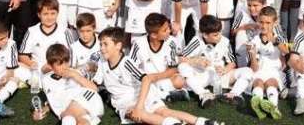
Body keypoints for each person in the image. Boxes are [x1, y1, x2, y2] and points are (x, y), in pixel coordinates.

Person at [93, 27, 223, 125]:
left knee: (163, 112)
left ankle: (203, 122)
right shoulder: (102, 61)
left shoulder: (126, 62)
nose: (102, 48)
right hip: (123, 102)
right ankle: (174, 123)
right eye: (100, 44)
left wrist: (139, 105)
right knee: (136, 114)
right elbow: (96, 83)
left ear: (118, 46)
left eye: (105, 44)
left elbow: (146, 79)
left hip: (142, 95)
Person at [178, 15, 253, 109]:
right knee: (182, 67)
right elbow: (180, 58)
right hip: (202, 76)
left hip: (218, 76)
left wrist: (225, 69)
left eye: (220, 32)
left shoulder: (225, 41)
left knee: (248, 71)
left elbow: (233, 63)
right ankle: (204, 94)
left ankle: (233, 95)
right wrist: (195, 61)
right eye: (215, 35)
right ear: (205, 35)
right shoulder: (197, 41)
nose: (219, 36)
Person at [130, 13, 189, 103]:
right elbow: (131, 68)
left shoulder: (171, 42)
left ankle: (163, 94)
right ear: (153, 35)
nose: (169, 31)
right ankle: (169, 95)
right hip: (145, 79)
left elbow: (173, 69)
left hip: (162, 77)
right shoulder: (138, 43)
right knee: (141, 86)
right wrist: (146, 78)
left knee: (179, 81)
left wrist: (156, 77)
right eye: (165, 30)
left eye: (169, 27)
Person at [42, 44, 104, 125]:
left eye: (66, 62)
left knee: (71, 113)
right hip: (68, 111)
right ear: (50, 65)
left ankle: (82, 120)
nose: (64, 66)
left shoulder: (74, 72)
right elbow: (55, 97)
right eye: (59, 64)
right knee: (68, 119)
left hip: (88, 102)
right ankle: (84, 120)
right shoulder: (46, 79)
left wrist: (74, 75)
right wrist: (46, 108)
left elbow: (94, 89)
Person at [248, 6, 287, 120]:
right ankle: (258, 105)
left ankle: (273, 107)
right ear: (258, 21)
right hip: (259, 70)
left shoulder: (279, 37)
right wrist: (252, 54)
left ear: (275, 23)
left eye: (268, 23)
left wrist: (274, 40)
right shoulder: (255, 39)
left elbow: (287, 52)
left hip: (274, 70)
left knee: (271, 83)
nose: (264, 26)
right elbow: (254, 67)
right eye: (261, 22)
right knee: (258, 82)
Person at [19, 0, 75, 75]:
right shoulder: (32, 31)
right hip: (37, 70)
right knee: (17, 69)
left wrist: (56, 67)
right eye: (45, 14)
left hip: (59, 71)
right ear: (39, 15)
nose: (49, 17)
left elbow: (73, 55)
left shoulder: (65, 31)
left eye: (53, 13)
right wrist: (33, 65)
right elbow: (22, 55)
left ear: (57, 13)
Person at [231, 0, 267, 67]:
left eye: (255, 5)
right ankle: (243, 66)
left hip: (262, 46)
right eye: (249, 5)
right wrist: (245, 27)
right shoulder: (243, 13)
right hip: (246, 46)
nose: (251, 8)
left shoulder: (268, 13)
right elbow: (232, 32)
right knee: (240, 34)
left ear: (264, 4)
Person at [69, 13, 100, 77]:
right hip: (83, 83)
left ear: (94, 29)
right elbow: (72, 70)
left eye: (88, 31)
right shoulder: (73, 48)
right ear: (77, 30)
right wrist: (85, 67)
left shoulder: (102, 42)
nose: (85, 35)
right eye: (82, 31)